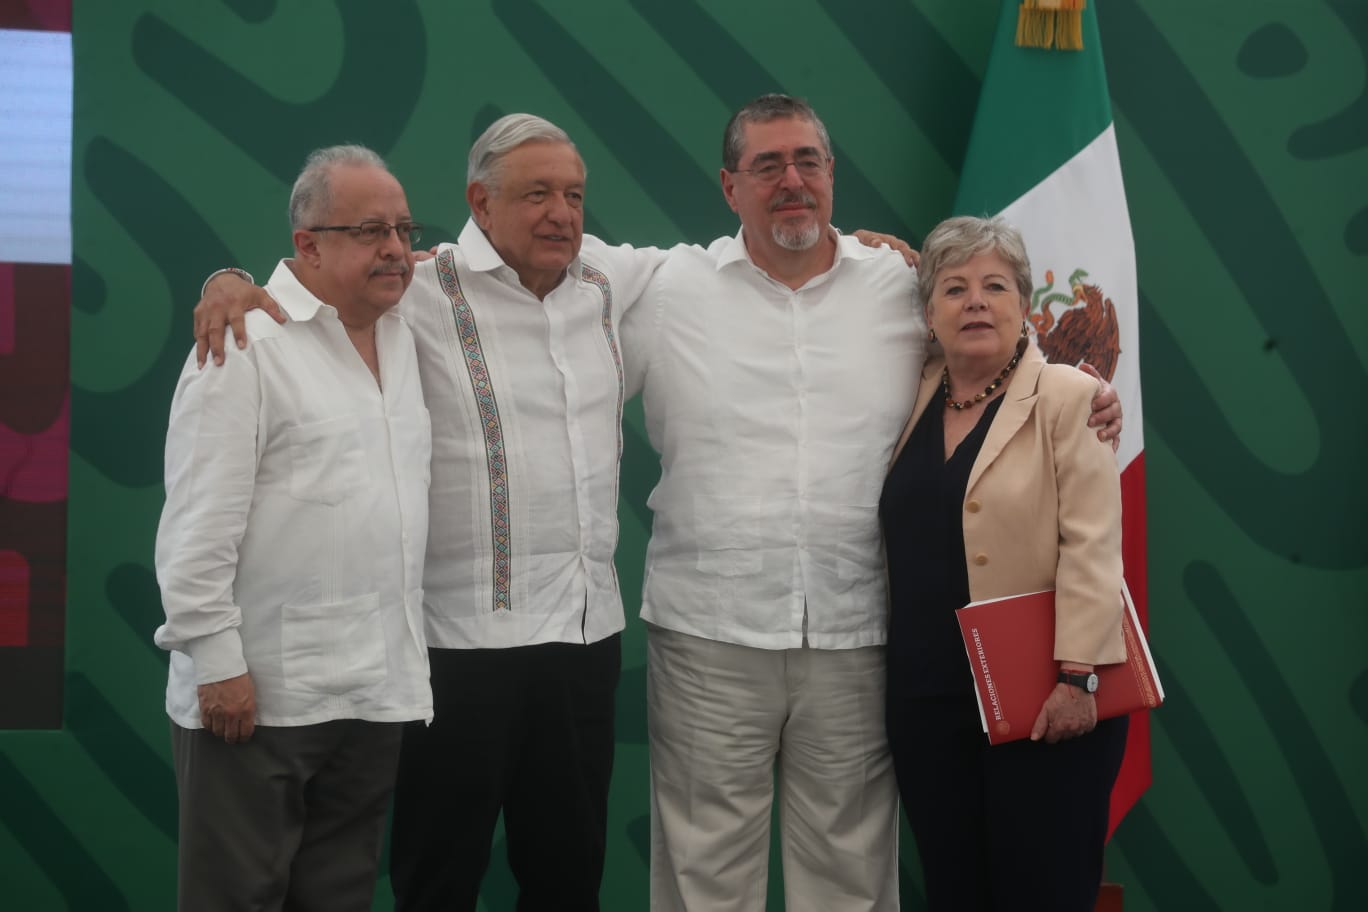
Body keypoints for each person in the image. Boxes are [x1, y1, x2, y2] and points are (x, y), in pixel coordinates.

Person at [620, 95, 1122, 912]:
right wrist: (444, 275)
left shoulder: (898, 284)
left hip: (857, 640)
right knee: (704, 876)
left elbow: (994, 338)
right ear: (728, 185)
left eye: (808, 161)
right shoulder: (666, 289)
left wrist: (1084, 391)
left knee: (850, 880)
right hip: (709, 637)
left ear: (832, 177)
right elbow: (552, 310)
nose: (792, 181)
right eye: (767, 165)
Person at [194, 114, 665, 912]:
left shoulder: (612, 279)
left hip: (584, 640)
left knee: (568, 876)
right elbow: (314, 280)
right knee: (436, 877)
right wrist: (229, 282)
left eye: (575, 194)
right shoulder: (413, 285)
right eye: (537, 194)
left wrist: (857, 247)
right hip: (456, 648)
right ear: (481, 202)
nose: (561, 213)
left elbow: (742, 265)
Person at [153, 144, 432, 911]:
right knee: (235, 900)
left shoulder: (406, 328)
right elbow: (196, 525)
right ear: (307, 245)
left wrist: (225, 275)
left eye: (405, 230)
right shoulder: (243, 346)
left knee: (337, 899)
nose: (396, 249)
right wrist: (216, 661)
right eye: (372, 230)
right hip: (259, 697)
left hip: (374, 693)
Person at [879, 215, 1128, 911]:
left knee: (1040, 893)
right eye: (954, 289)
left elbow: (1094, 545)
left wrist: (1078, 678)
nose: (976, 302)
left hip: (1048, 702)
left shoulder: (1073, 398)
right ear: (929, 315)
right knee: (956, 892)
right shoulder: (910, 393)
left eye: (995, 286)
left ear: (1026, 306)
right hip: (929, 703)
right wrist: (876, 242)